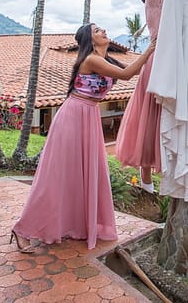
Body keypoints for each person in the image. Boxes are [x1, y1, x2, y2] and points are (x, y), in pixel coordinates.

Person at [10, 23, 155, 252]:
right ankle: (22, 229)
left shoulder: (106, 60)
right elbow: (127, 75)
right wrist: (150, 50)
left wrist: (151, 53)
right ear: (90, 38)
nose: (104, 31)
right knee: (56, 178)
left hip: (88, 115)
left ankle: (75, 225)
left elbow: (134, 70)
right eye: (97, 30)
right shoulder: (91, 59)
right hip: (74, 116)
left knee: (78, 176)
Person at [115, 0, 178, 192]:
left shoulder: (171, 4)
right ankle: (148, 182)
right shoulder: (154, 2)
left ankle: (165, 181)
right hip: (156, 67)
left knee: (166, 122)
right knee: (150, 123)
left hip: (170, 63)